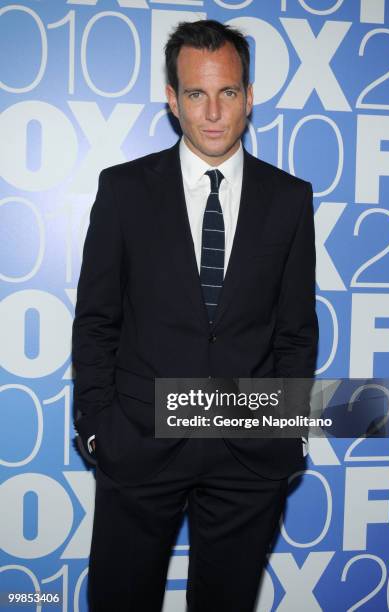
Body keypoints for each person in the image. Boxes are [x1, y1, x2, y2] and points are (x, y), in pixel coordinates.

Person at [72, 19, 318, 612]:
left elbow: (295, 329)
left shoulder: (289, 199)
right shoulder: (125, 190)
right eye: (195, 94)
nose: (212, 112)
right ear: (172, 100)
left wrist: (283, 426)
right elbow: (97, 319)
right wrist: (101, 426)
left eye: (227, 92)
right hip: (140, 443)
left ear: (249, 96)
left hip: (248, 454)